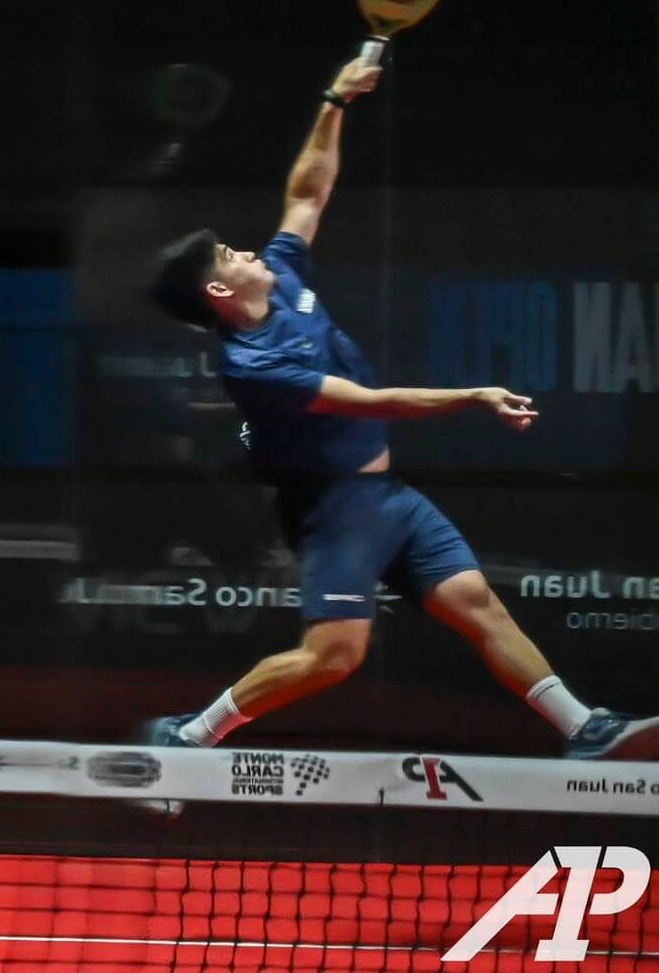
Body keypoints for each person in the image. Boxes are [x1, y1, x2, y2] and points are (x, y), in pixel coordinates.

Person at [144, 54, 657, 763]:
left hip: (386, 495)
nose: (246, 251)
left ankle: (582, 729)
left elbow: (307, 193)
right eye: (230, 255)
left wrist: (335, 100)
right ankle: (189, 735)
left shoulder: (282, 277)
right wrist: (474, 395)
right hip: (334, 509)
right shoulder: (254, 365)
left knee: (477, 602)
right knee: (333, 656)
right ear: (220, 295)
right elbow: (375, 403)